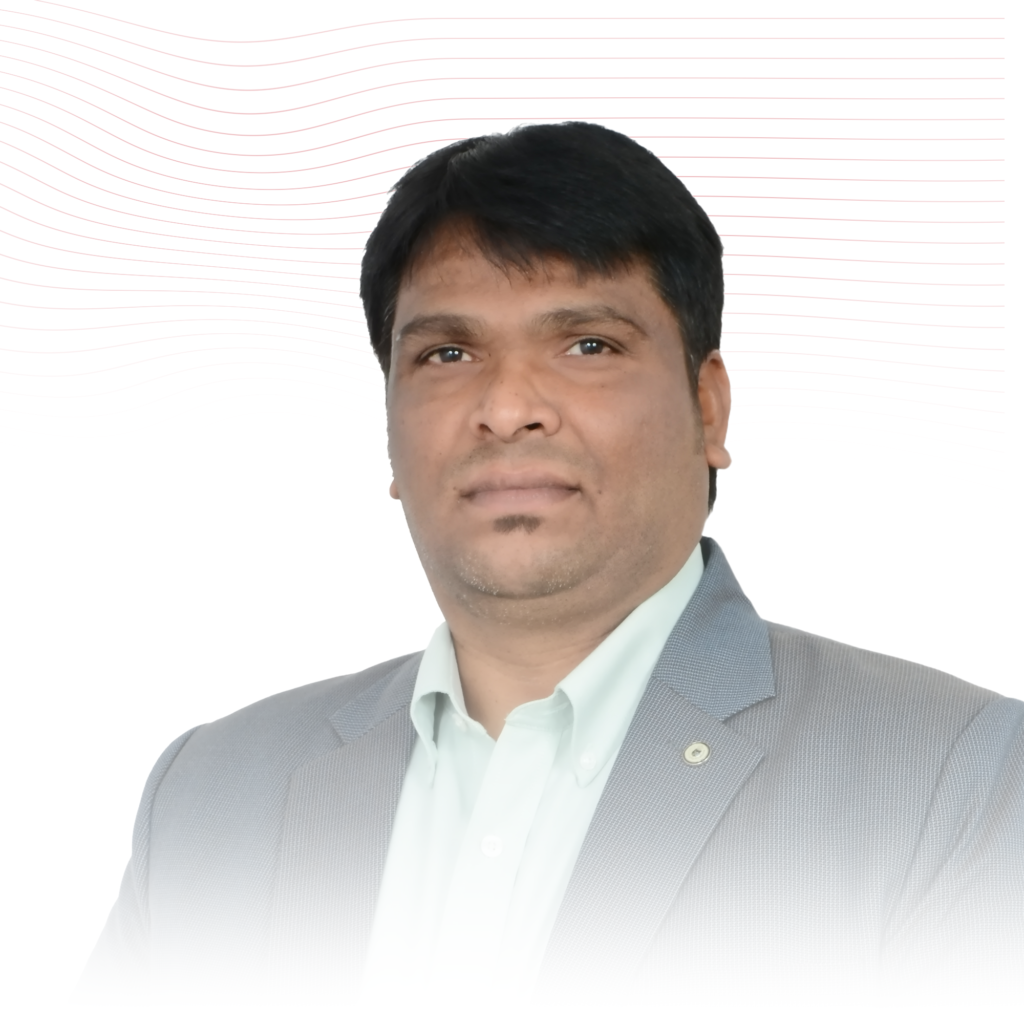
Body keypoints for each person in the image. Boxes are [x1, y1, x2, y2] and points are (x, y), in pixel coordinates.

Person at [83, 122, 1023, 1017]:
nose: (506, 408)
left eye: (587, 345)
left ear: (708, 409)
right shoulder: (209, 795)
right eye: (448, 353)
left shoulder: (959, 781)